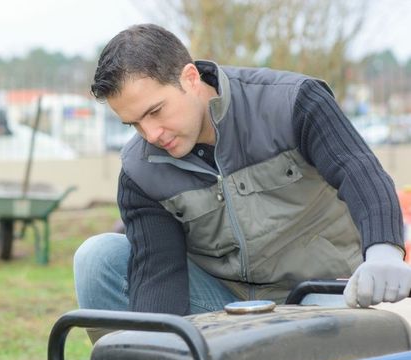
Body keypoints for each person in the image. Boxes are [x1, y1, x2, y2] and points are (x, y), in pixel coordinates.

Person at [74, 24, 411, 328]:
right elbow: (160, 275)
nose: (150, 134)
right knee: (99, 258)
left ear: (190, 78)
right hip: (225, 306)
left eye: (155, 111)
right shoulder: (140, 169)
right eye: (134, 123)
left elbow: (361, 173)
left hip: (320, 296)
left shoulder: (293, 103)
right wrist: (157, 352)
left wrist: (383, 252)